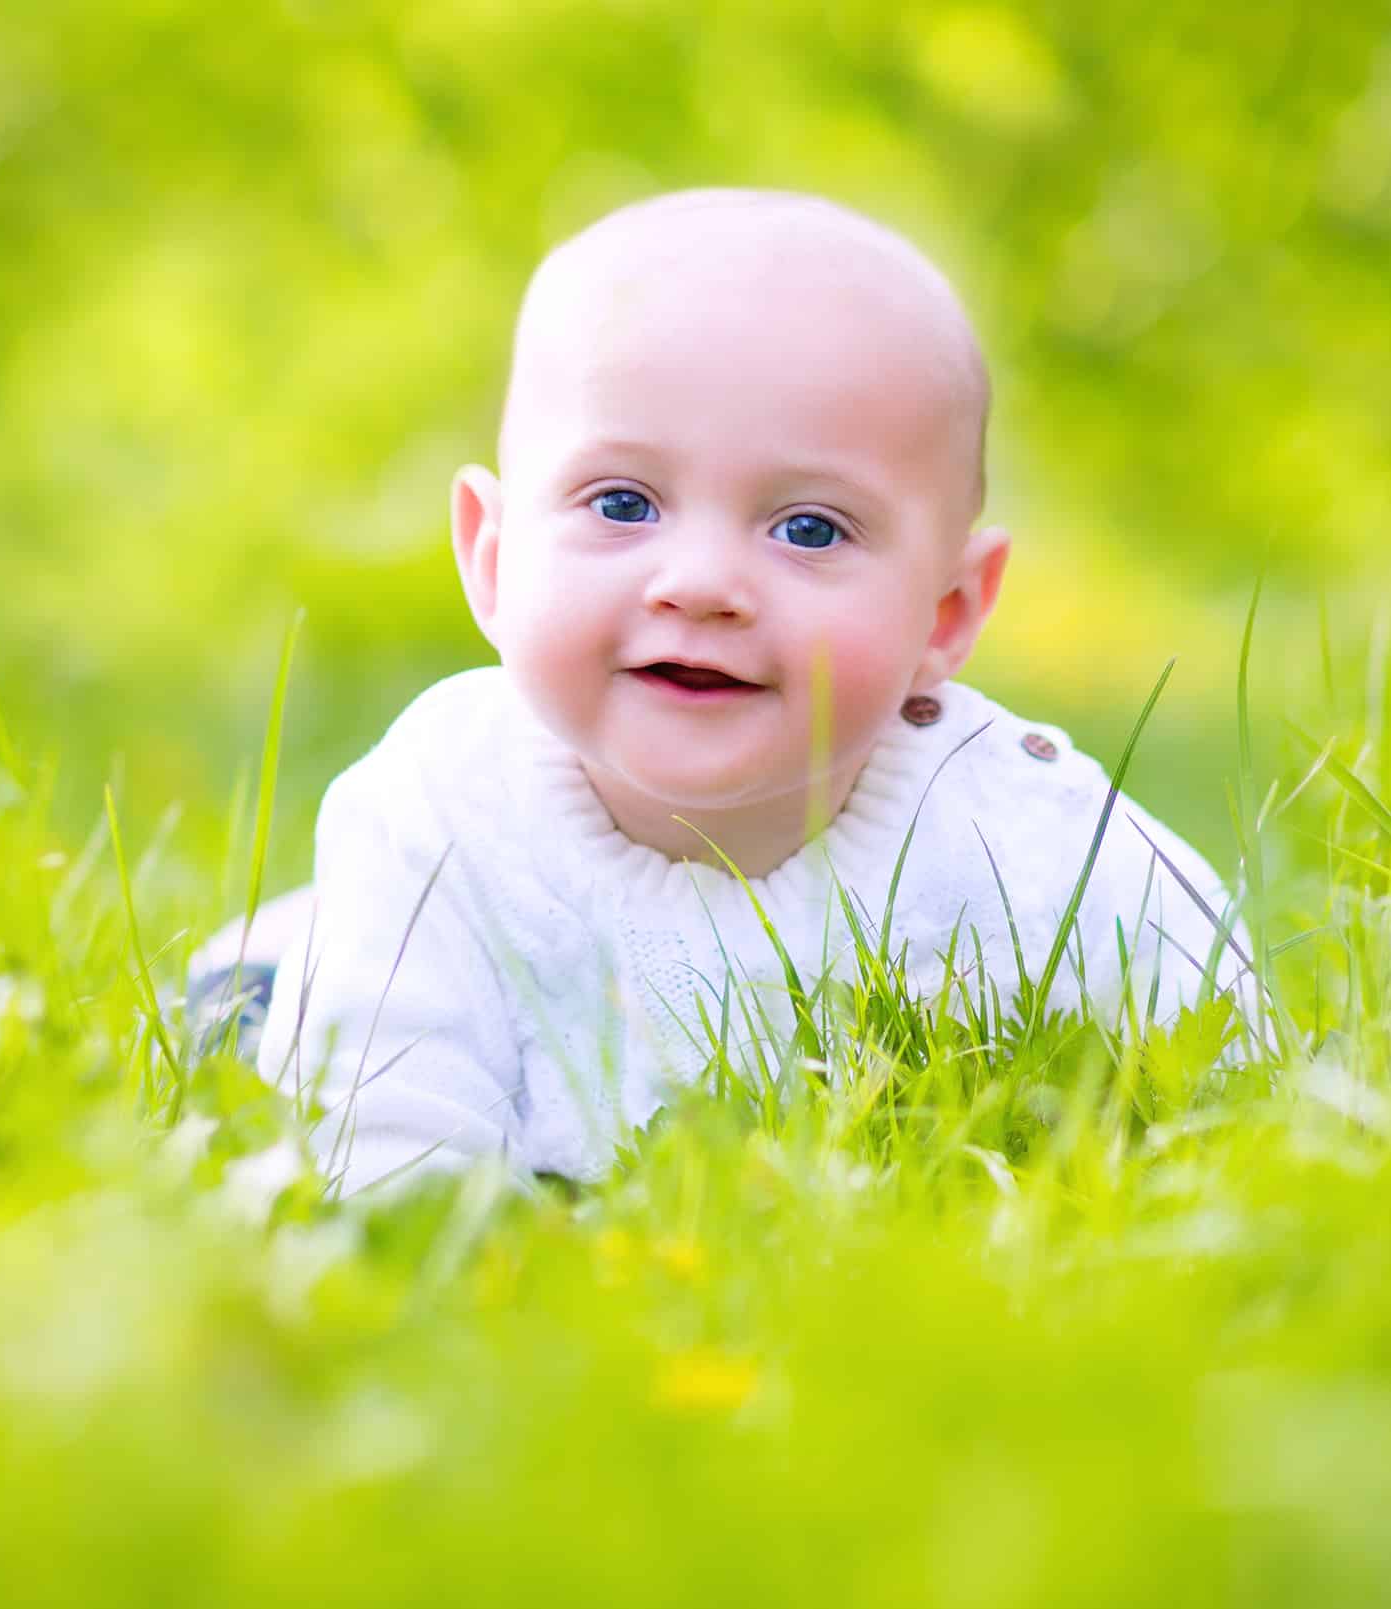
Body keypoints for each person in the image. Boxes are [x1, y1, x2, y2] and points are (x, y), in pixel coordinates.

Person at [186, 187, 1252, 1200]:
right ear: (494, 559)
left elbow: (1226, 1078)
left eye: (810, 528)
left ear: (946, 613)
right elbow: (386, 1156)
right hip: (366, 978)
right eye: (621, 501)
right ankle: (270, 962)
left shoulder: (1030, 853)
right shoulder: (438, 814)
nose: (698, 582)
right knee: (287, 1020)